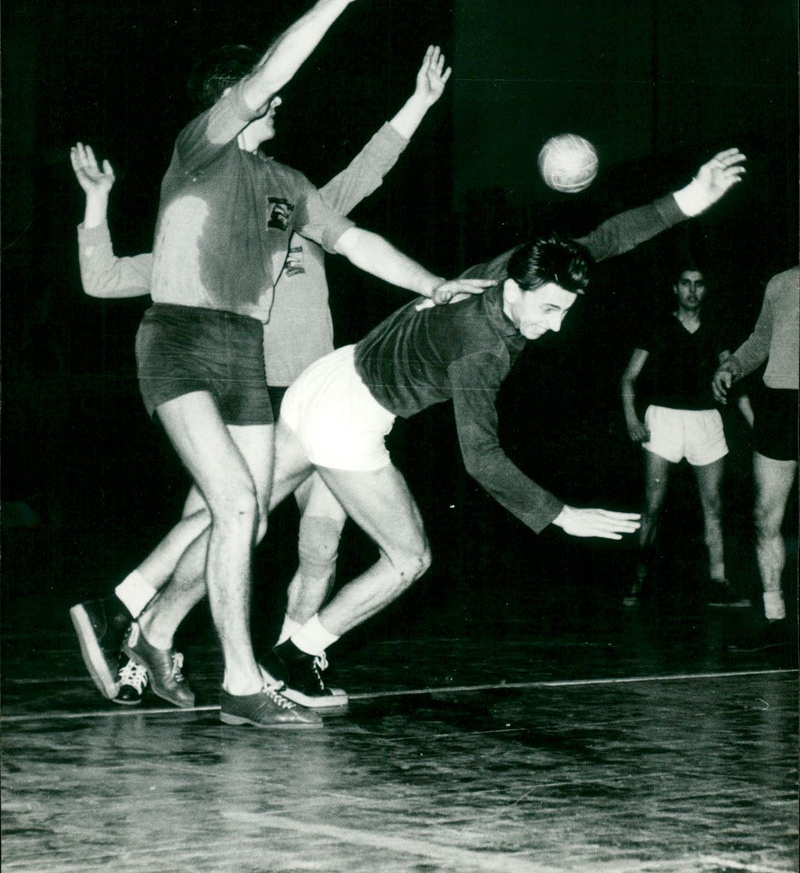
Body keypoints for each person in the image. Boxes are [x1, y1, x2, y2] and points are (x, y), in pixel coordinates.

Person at [130, 149, 747, 709]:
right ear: (516, 291)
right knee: (408, 557)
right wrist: (559, 514)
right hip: (350, 419)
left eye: (565, 311)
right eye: (550, 310)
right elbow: (481, 456)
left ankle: (146, 623)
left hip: (328, 377)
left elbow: (606, 239)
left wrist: (691, 196)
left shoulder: (520, 267)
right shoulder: (483, 348)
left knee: (244, 519)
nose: (556, 326)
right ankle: (294, 654)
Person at [70, 0, 493, 730]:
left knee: (243, 517)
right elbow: (104, 278)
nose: (276, 100)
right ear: (230, 102)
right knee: (231, 509)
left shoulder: (288, 189)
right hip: (187, 341)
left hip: (262, 365)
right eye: (260, 93)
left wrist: (436, 283)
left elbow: (357, 234)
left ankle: (152, 626)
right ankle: (217, 663)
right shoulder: (199, 157)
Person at [620, 262, 753, 607]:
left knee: (714, 506)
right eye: (685, 284)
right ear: (675, 289)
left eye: (699, 284)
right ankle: (638, 580)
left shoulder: (716, 329)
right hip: (663, 420)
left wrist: (754, 422)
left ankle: (719, 581)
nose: (692, 290)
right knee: (653, 503)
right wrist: (631, 419)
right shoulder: (658, 325)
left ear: (705, 290)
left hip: (706, 420)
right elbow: (628, 378)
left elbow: (733, 377)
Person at [712, 266, 799, 649]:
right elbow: (761, 338)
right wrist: (733, 365)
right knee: (765, 517)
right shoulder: (780, 282)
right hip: (781, 404)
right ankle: (774, 619)